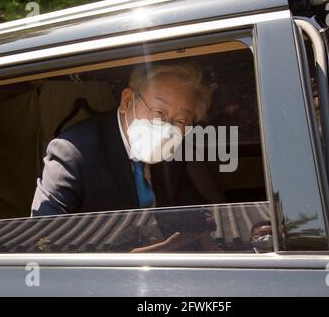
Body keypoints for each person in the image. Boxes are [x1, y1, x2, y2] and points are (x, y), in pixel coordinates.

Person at [31, 59, 218, 251]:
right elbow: (45, 240)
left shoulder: (172, 148)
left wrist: (206, 235)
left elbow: (192, 207)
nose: (167, 128)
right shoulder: (71, 152)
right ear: (127, 101)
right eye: (159, 112)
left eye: (180, 120)